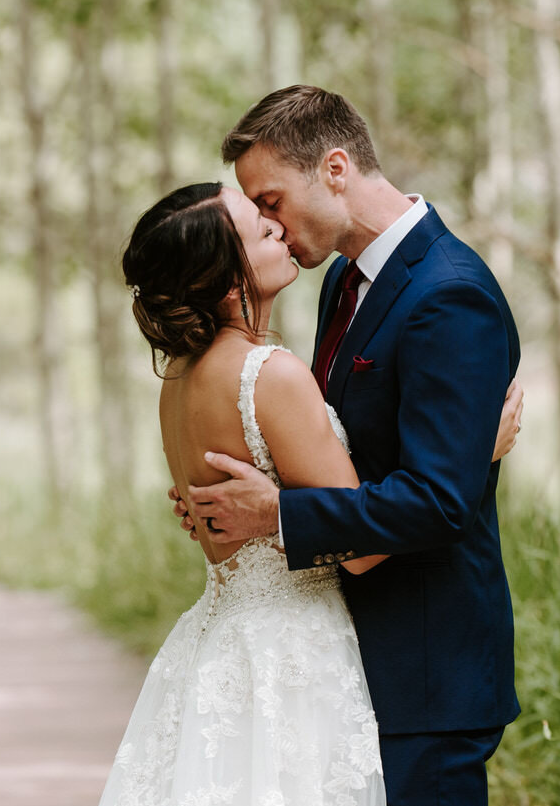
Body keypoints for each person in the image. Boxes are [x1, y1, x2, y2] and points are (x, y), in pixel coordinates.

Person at [102, 176, 520, 806]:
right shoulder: (272, 375)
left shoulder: (179, 381)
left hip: (221, 646)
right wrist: (472, 453)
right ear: (219, 279)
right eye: (257, 225)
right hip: (294, 657)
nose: (276, 227)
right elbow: (362, 552)